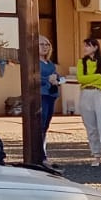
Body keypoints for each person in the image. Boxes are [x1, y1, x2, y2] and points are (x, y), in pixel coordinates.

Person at [77, 37, 101, 168]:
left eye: (88, 46)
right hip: (86, 94)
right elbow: (81, 78)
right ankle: (96, 155)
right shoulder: (81, 62)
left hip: (100, 94)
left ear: (95, 47)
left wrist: (92, 80)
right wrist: (97, 77)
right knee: (91, 128)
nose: (85, 48)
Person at [37, 35, 63, 165]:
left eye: (47, 44)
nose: (45, 47)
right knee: (40, 125)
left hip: (51, 95)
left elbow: (57, 77)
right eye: (42, 44)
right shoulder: (35, 63)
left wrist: (57, 80)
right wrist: (47, 80)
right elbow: (34, 78)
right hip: (42, 95)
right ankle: (40, 155)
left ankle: (43, 152)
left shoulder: (50, 64)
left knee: (46, 125)